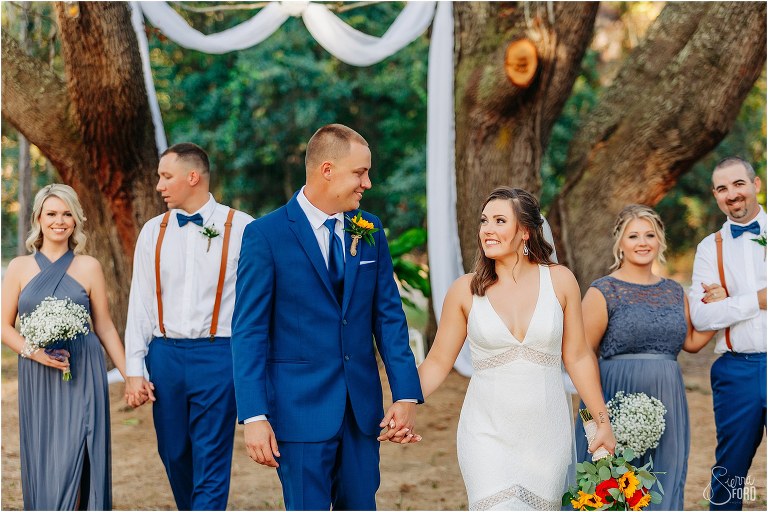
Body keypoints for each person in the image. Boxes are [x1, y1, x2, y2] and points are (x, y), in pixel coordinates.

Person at [231, 124, 423, 510]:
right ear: (327, 170)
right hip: (297, 411)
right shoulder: (265, 236)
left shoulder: (369, 229)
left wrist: (405, 394)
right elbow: (248, 332)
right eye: (360, 172)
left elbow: (388, 318)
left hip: (360, 411)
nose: (367, 183)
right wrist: (253, 415)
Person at [416, 186, 616, 510]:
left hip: (546, 434)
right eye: (484, 221)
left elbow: (578, 356)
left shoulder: (561, 281)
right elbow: (438, 362)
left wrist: (602, 422)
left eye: (499, 221)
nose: (487, 230)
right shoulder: (465, 290)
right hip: (485, 433)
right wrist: (405, 400)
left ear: (524, 231)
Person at [124, 143, 254, 510]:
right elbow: (141, 303)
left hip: (219, 354)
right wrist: (135, 369)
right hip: (164, 356)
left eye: (166, 177)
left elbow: (258, 303)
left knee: (212, 457)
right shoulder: (153, 231)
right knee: (174, 452)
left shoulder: (241, 227)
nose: (159, 186)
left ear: (192, 177)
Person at [575, 204, 719, 510]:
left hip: (668, 404)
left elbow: (691, 342)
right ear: (620, 243)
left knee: (663, 487)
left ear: (660, 241)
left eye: (650, 235)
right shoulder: (603, 291)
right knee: (608, 491)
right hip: (611, 401)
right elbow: (581, 352)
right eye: (633, 235)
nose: (643, 242)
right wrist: (599, 416)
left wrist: (722, 309)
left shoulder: (674, 292)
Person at [1, 184, 128, 510]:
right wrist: (35, 353)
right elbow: (3, 325)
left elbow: (103, 325)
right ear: (38, 219)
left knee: (81, 450)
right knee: (48, 456)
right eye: (52, 214)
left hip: (83, 369)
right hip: (38, 374)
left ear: (76, 219)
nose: (60, 221)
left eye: (67, 213)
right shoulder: (18, 267)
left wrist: (132, 375)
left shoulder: (89, 267)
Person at [689, 157, 766, 510]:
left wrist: (731, 302)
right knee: (730, 474)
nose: (732, 194)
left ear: (756, 185)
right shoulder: (709, 248)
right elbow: (703, 317)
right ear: (716, 196)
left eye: (738, 184)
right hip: (738, 371)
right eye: (722, 188)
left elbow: (719, 310)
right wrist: (758, 299)